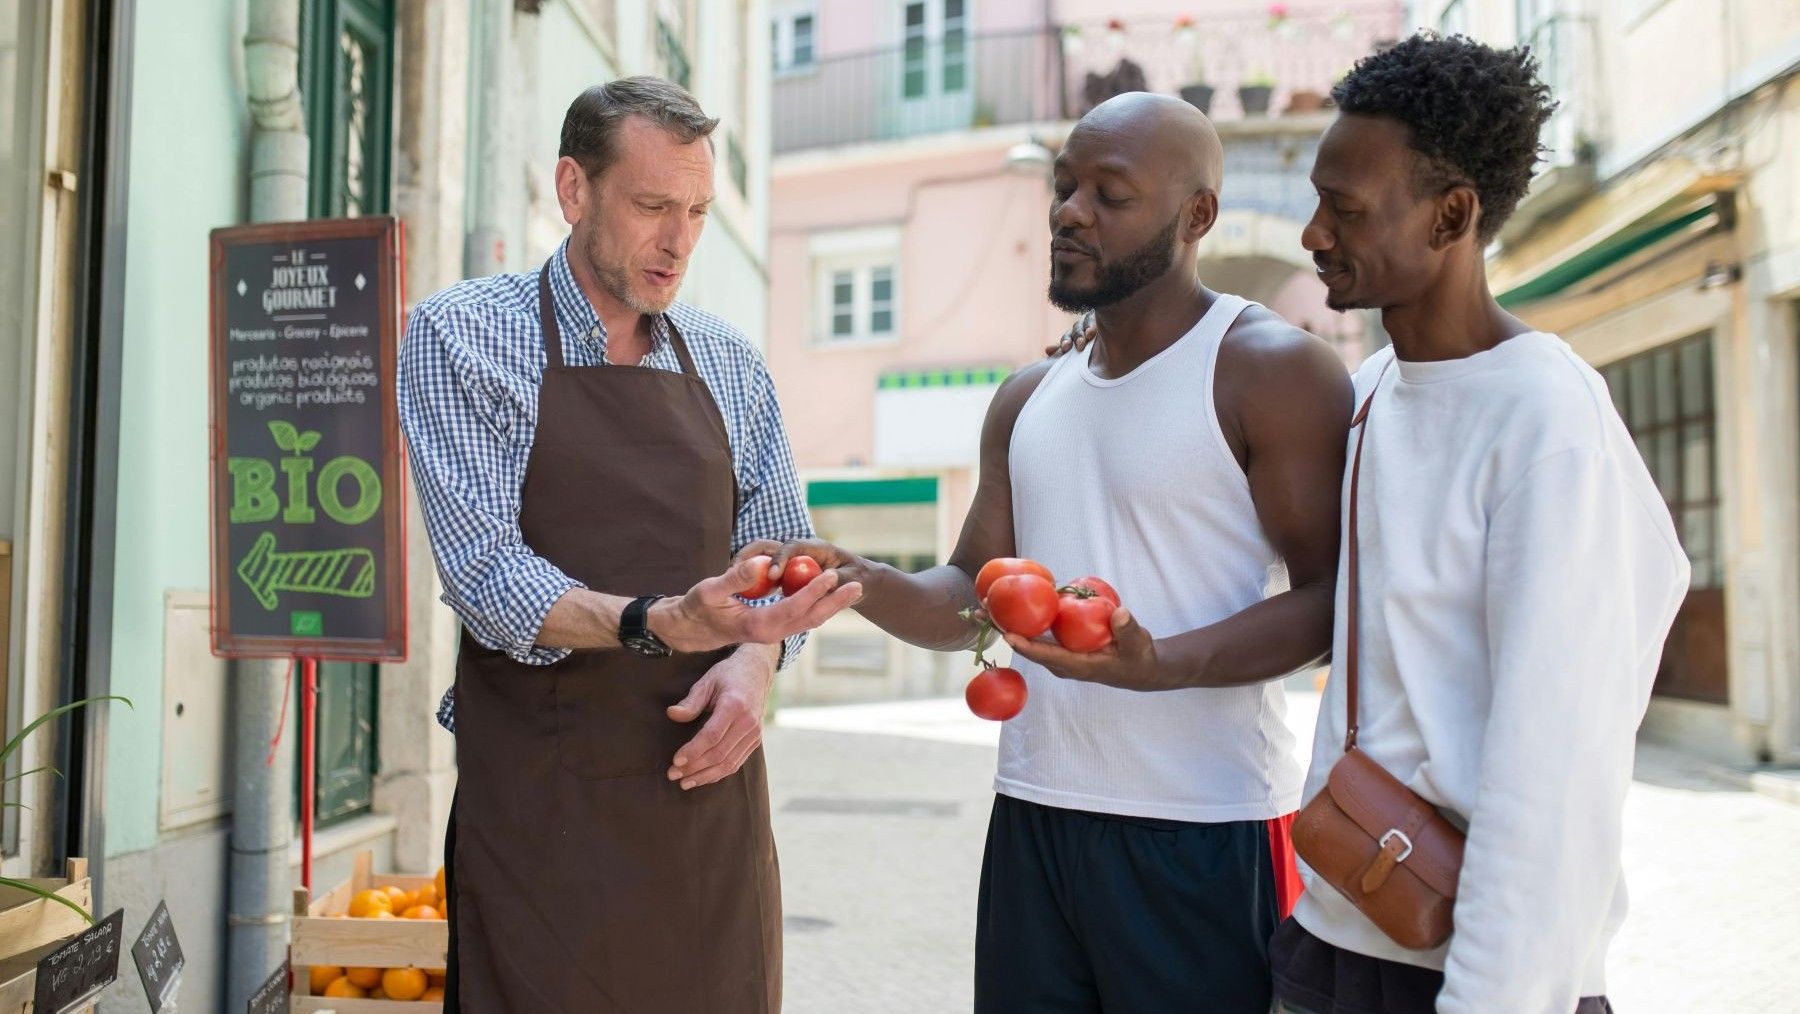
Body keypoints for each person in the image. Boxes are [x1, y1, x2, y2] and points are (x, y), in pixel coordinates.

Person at [752, 92, 1352, 1012]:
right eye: (1064, 185)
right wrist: (862, 580)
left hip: (1205, 825)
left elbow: (1330, 599)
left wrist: (1158, 664)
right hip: (1034, 816)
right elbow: (971, 596)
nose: (1070, 211)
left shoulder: (1272, 370)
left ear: (1197, 215)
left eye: (1111, 194)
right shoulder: (1028, 395)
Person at [397, 77, 859, 1011]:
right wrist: (663, 621)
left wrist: (754, 666)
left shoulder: (729, 361)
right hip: (541, 810)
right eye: (652, 207)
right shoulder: (462, 335)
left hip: (707, 808)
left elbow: (786, 558)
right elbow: (486, 574)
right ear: (574, 189)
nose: (680, 241)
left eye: (697, 211)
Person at [1270, 34, 1689, 1014]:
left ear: (1451, 215)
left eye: (1345, 209)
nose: (1313, 235)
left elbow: (1556, 768)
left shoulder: (1547, 422)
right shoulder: (1369, 394)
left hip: (1475, 972)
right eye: (1318, 202)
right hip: (1331, 933)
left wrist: (1492, 996)